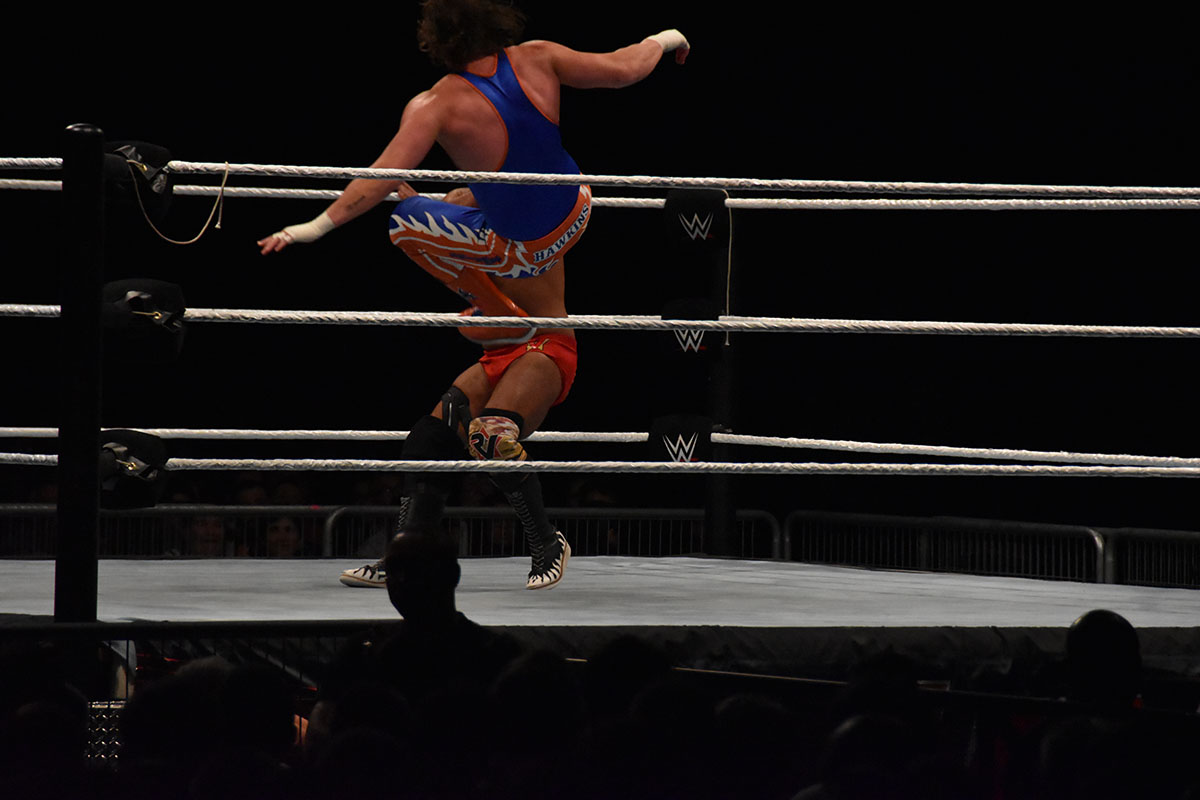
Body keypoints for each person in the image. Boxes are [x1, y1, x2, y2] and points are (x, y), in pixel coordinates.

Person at [259, 0, 689, 589]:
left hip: (544, 342)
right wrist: (666, 37)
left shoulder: (436, 106)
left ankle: (548, 544)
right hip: (568, 214)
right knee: (428, 440)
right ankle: (404, 557)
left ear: (435, 40)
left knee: (487, 431)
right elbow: (623, 68)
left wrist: (312, 227)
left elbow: (379, 180)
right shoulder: (537, 58)